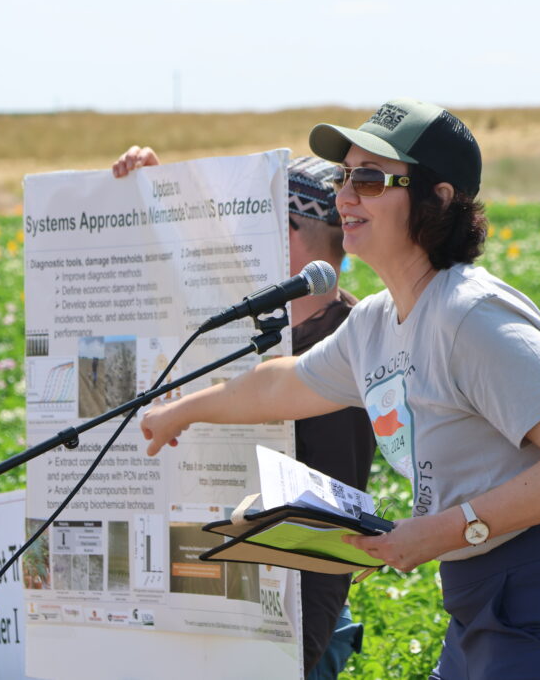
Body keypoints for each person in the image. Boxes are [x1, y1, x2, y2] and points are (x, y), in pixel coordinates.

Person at [139, 98, 540, 679]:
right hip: (477, 606)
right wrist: (183, 411)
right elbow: (283, 384)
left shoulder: (470, 315)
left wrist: (444, 529)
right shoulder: (376, 323)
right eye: (343, 177)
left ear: (439, 199)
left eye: (371, 179)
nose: (346, 196)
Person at [113, 147, 377, 678]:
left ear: (287, 233)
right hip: (221, 601)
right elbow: (196, 258)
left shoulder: (344, 345)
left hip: (295, 620)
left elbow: (329, 520)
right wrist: (154, 185)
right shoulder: (252, 327)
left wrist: (297, 656)